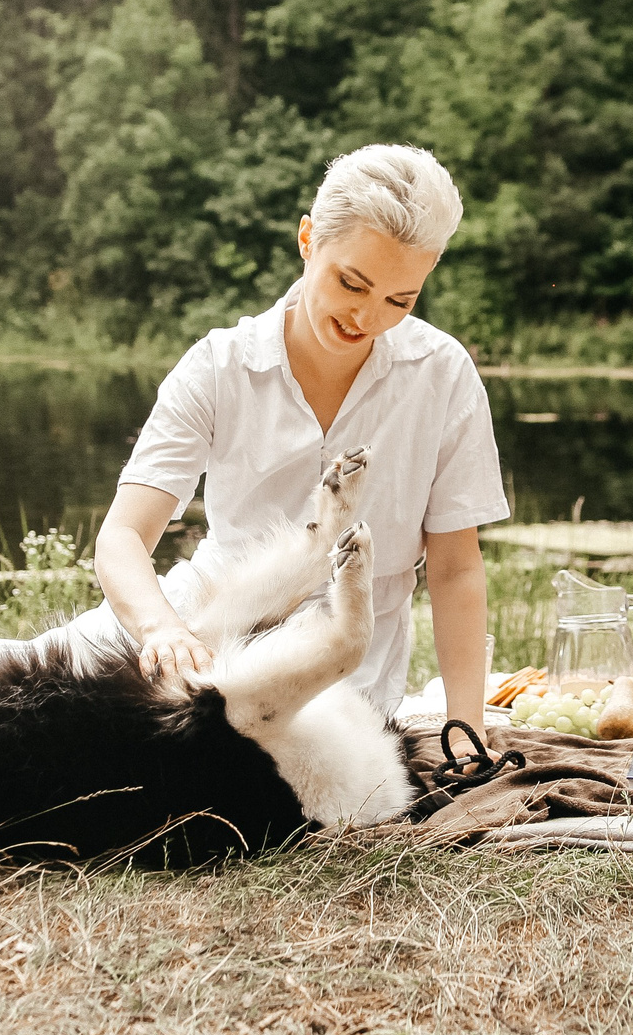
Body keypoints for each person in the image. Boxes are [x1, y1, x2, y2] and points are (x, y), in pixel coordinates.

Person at [89, 145, 509, 726]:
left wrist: (467, 729)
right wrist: (163, 628)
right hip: (206, 626)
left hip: (343, 669)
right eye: (352, 283)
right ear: (308, 240)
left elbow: (456, 568)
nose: (366, 317)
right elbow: (122, 538)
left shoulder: (443, 374)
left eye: (400, 300)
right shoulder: (219, 365)